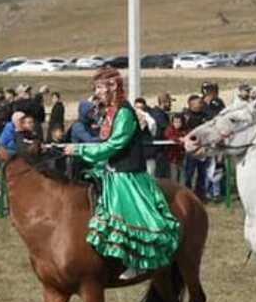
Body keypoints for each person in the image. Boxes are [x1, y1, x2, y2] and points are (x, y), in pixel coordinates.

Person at [63, 68, 182, 280]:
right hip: (109, 170)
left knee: (128, 214)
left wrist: (79, 149)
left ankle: (138, 261)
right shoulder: (110, 112)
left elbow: (113, 145)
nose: (97, 92)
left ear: (113, 88)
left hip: (127, 174)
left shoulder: (125, 113)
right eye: (96, 88)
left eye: (100, 88)